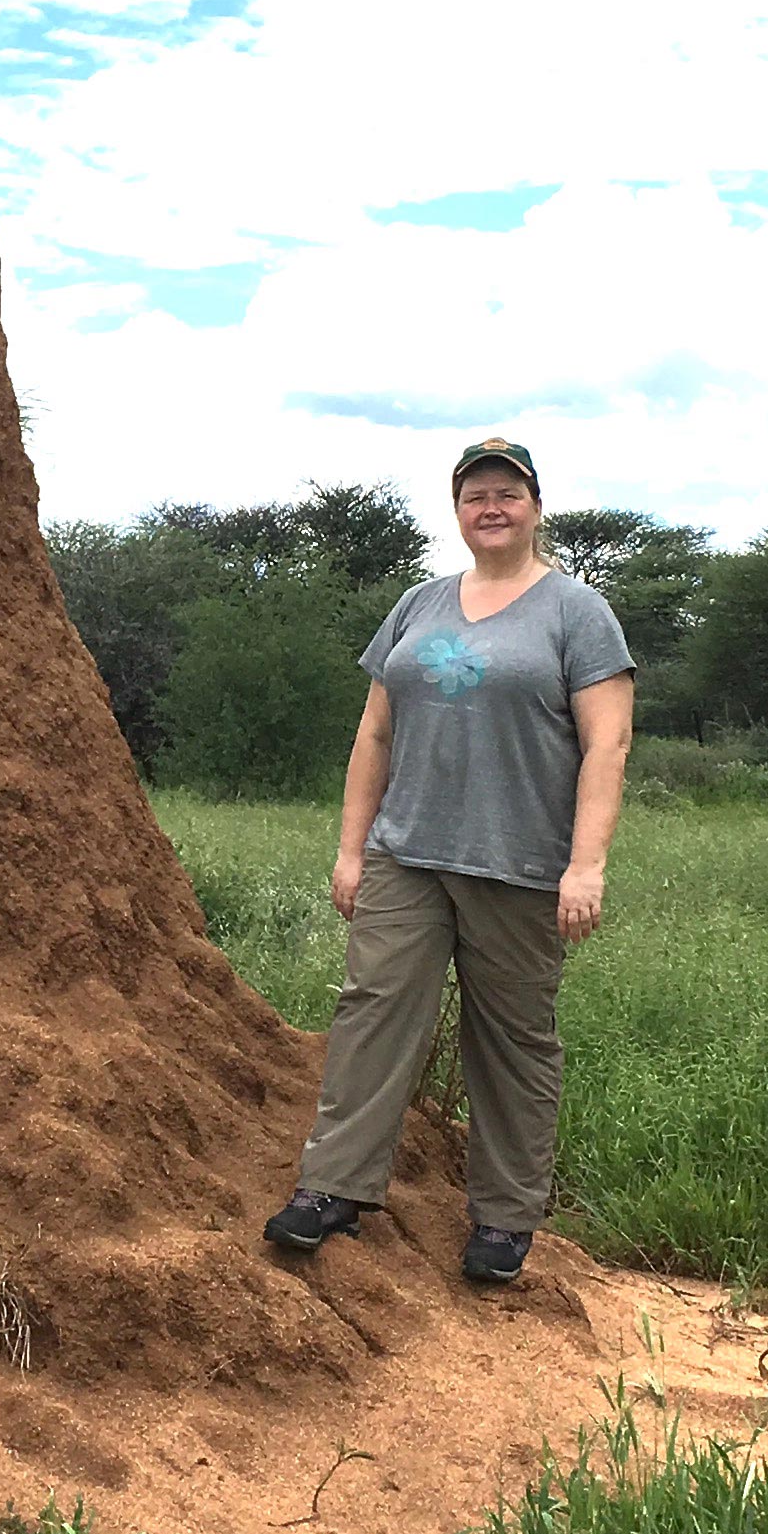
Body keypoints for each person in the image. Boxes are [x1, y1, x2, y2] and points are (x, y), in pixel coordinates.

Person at [264, 433, 634, 1290]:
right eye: (476, 494)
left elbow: (607, 745)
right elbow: (376, 731)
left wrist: (586, 866)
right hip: (407, 854)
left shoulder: (577, 612)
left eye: (508, 492)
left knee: (510, 1039)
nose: (491, 506)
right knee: (373, 1012)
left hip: (519, 864)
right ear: (458, 509)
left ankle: (505, 1218)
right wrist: (352, 850)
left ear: (536, 507)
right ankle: (335, 1187)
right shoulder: (419, 603)